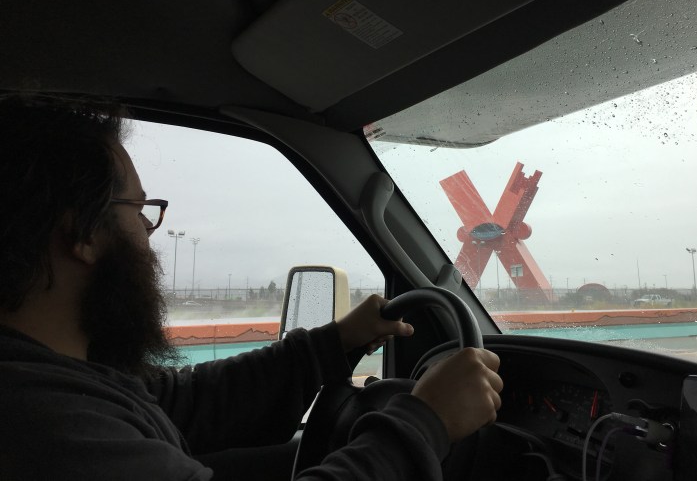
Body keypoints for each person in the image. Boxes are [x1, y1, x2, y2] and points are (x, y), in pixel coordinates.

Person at [0, 97, 503, 480]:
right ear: (83, 234)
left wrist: (334, 342)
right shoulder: (47, 427)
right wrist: (424, 422)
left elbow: (183, 402)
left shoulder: (64, 380)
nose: (149, 236)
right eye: (140, 211)